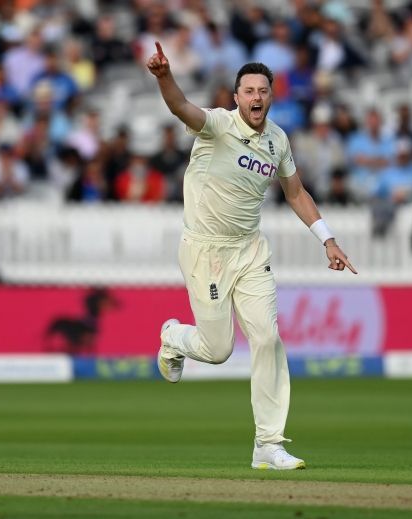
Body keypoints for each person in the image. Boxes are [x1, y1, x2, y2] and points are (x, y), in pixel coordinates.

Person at [146, 43, 356, 471]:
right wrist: (164, 76)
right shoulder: (218, 126)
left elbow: (295, 193)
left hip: (250, 251)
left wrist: (327, 239)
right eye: (248, 91)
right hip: (206, 250)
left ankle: (268, 444)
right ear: (236, 96)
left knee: (267, 338)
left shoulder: (278, 139)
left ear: (271, 95)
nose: (256, 97)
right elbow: (181, 107)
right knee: (218, 349)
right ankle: (173, 337)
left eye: (263, 90)